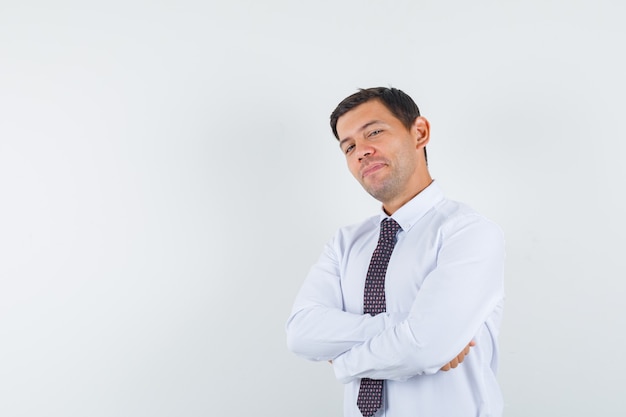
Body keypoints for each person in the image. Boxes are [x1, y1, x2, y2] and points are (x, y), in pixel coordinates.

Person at [286, 87, 505, 417]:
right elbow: (301, 333)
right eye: (349, 147)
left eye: (374, 132)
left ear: (419, 133)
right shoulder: (344, 244)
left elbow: (425, 345)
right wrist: (411, 328)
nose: (361, 151)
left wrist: (343, 360)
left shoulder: (469, 232)